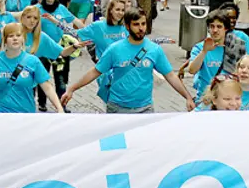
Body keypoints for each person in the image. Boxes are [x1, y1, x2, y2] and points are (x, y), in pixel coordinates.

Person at [63, 8, 195, 113]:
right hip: (117, 108)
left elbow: (170, 75)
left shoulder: (154, 50)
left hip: (145, 108)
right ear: (127, 26)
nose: (141, 28)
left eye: (143, 24)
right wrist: (72, 89)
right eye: (136, 24)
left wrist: (187, 97)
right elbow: (95, 72)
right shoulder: (114, 49)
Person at [0, 22, 65, 113]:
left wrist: (59, 108)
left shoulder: (33, 61)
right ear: (5, 41)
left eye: (18, 35)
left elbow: (47, 87)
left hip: (25, 112)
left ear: (23, 39)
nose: (15, 38)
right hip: (0, 111)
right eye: (11, 36)